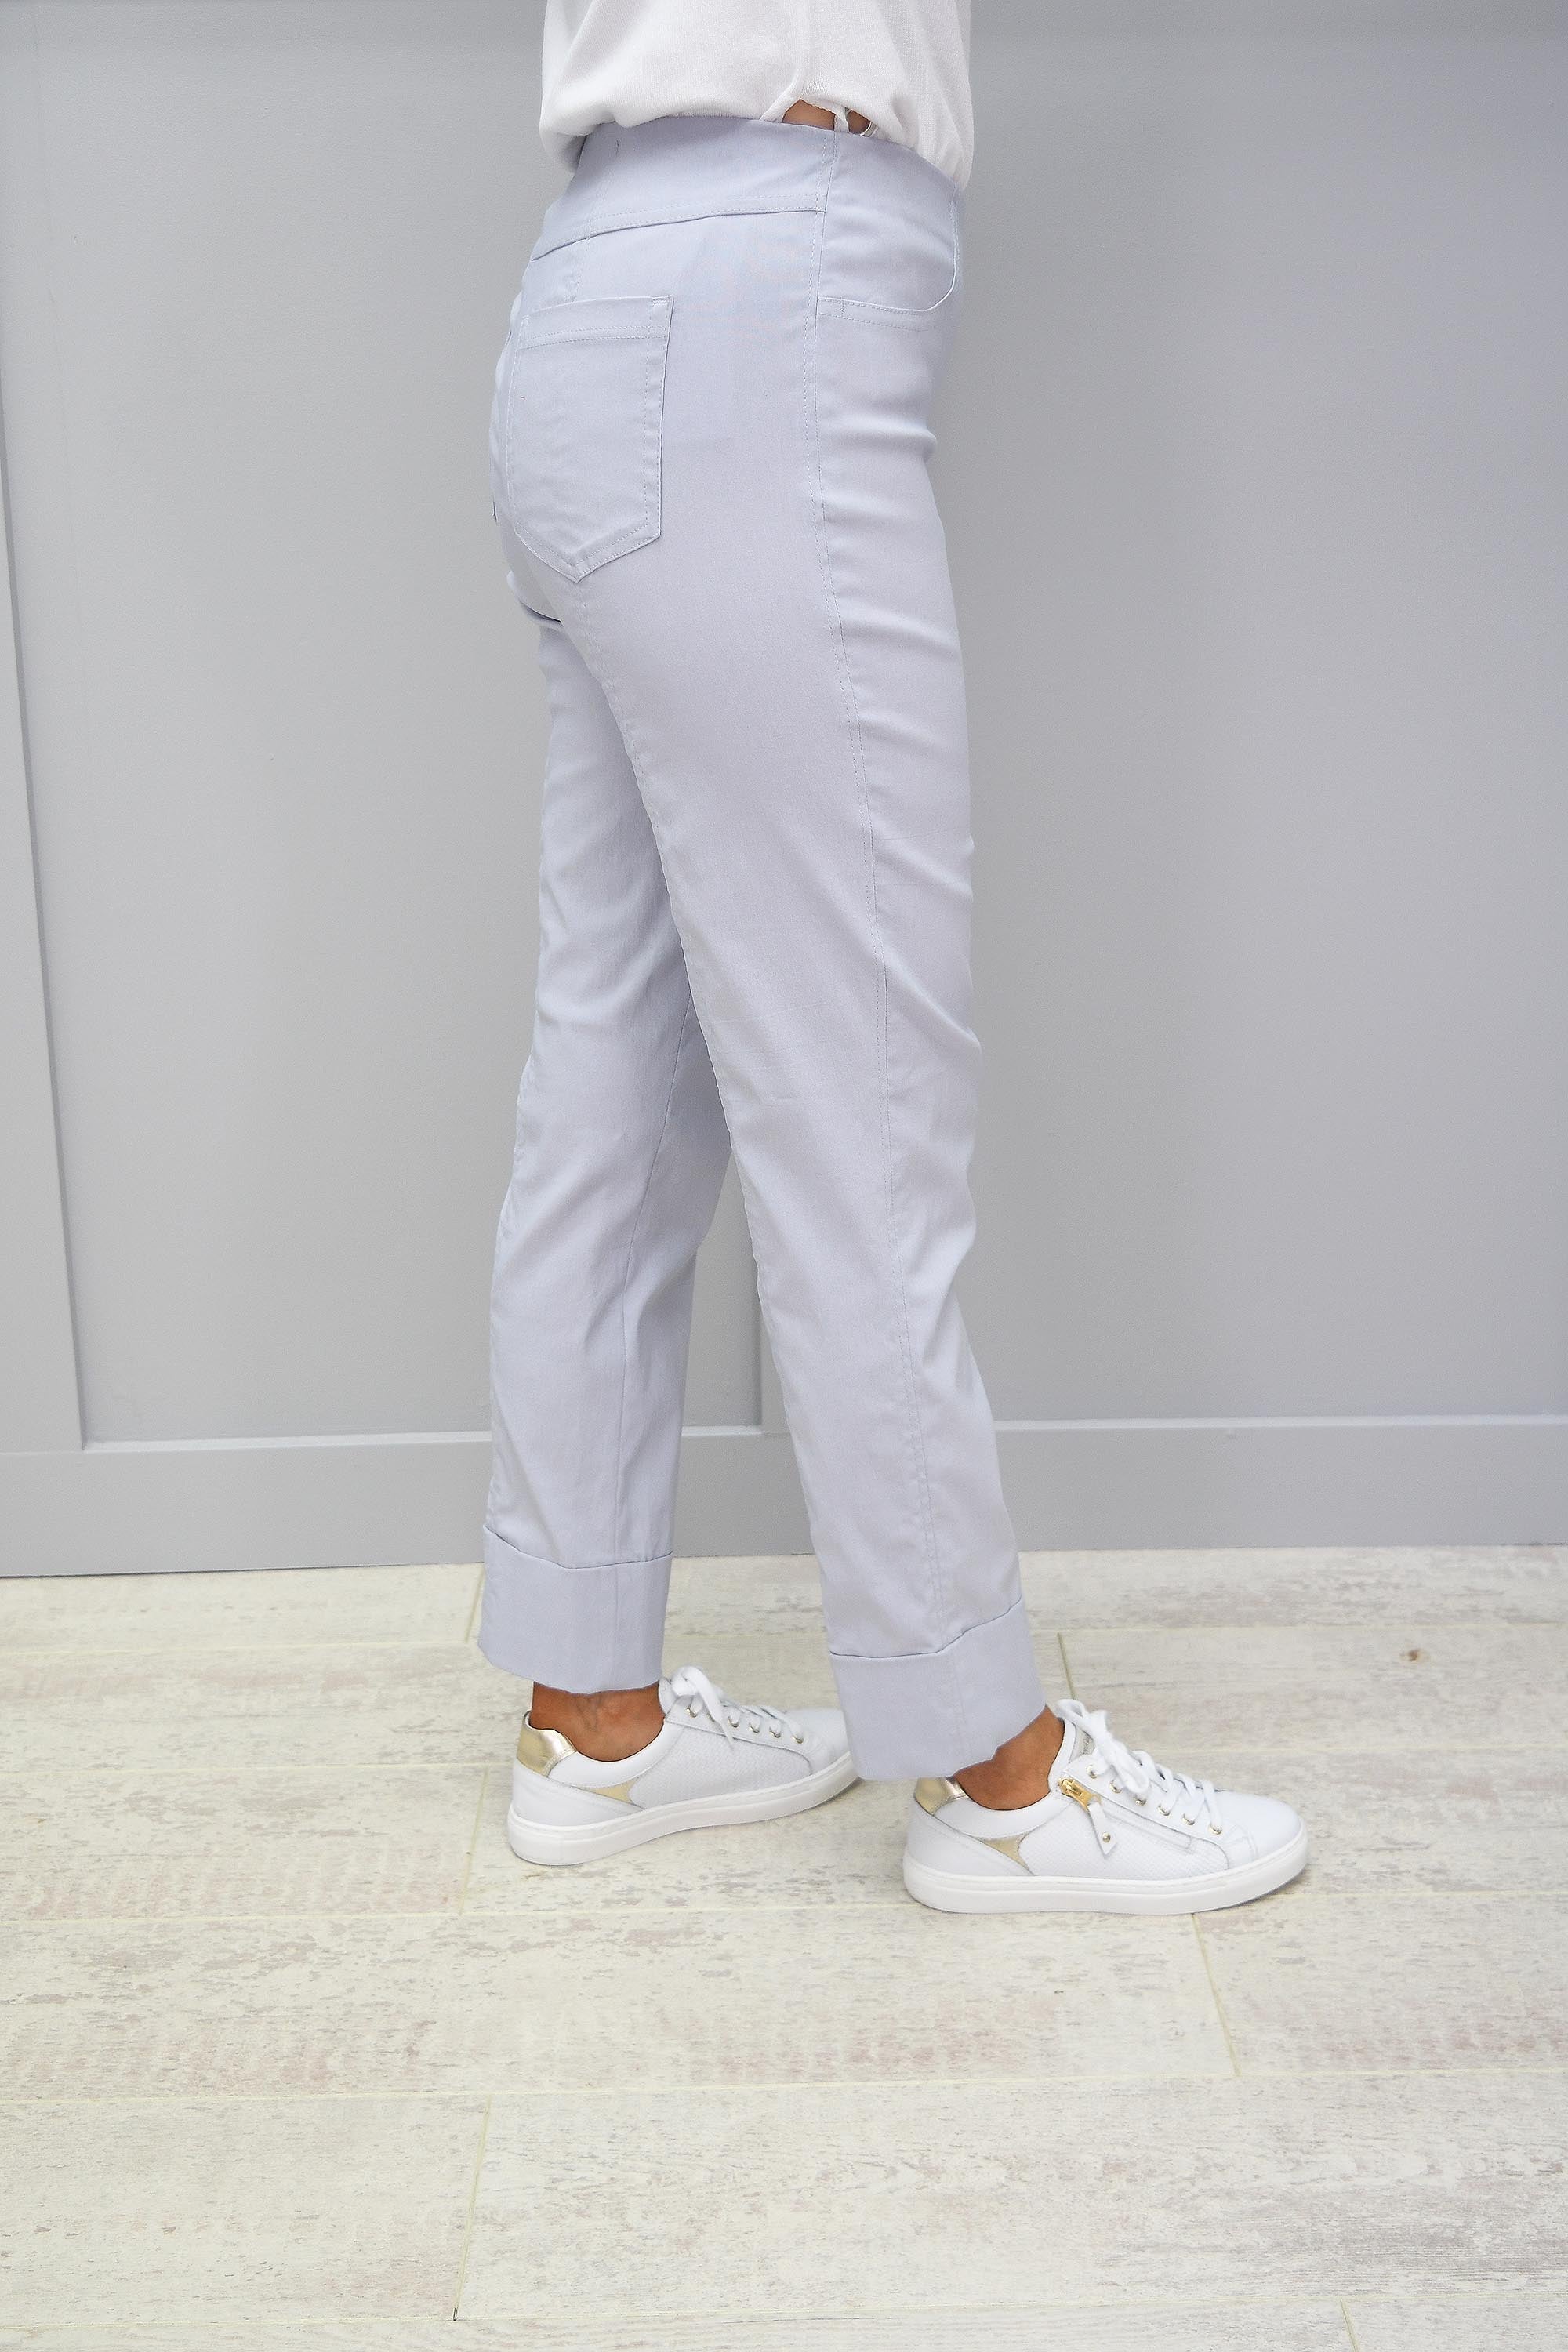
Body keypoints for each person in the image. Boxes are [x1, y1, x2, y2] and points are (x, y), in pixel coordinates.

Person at [479, 0, 1307, 1915]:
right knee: (859, 1094)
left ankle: (592, 1719)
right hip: (762, 300)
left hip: (599, 299)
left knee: (617, 1087)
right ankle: (996, 1774)